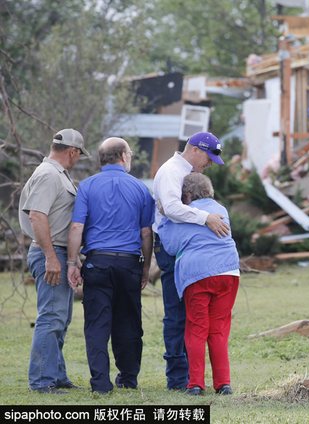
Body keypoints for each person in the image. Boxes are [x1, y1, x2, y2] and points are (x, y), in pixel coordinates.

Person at [67, 137, 154, 394]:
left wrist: (73, 262)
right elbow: (146, 233)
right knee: (128, 322)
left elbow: (76, 227)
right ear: (124, 157)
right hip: (129, 265)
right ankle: (128, 378)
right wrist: (146, 267)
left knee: (96, 324)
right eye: (130, 154)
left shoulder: (87, 186)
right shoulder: (140, 189)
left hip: (97, 263)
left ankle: (101, 385)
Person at [153, 131, 230, 391]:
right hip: (174, 248)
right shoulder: (172, 172)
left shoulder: (183, 172)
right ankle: (178, 379)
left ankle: (190, 379)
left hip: (189, 252)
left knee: (192, 320)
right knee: (177, 315)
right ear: (196, 149)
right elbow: (172, 209)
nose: (209, 164)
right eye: (208, 158)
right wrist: (205, 218)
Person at [19, 128, 89, 394]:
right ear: (72, 151)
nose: (78, 159)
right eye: (79, 154)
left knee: (61, 317)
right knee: (51, 317)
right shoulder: (49, 174)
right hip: (50, 252)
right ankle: (41, 381)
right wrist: (51, 257)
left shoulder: (57, 174)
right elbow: (37, 215)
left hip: (59, 252)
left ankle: (57, 376)